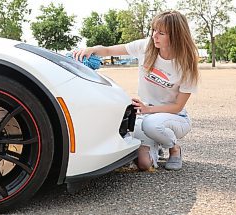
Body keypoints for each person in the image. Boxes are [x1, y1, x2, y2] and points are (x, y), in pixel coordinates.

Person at [73, 10, 199, 171]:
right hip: (146, 113)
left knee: (152, 125)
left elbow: (177, 107)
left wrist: (149, 110)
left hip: (174, 117)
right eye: (154, 30)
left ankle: (174, 148)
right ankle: (155, 143)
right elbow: (110, 50)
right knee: (144, 163)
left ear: (176, 36)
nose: (154, 36)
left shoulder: (186, 65)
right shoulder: (145, 47)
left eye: (161, 33)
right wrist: (91, 49)